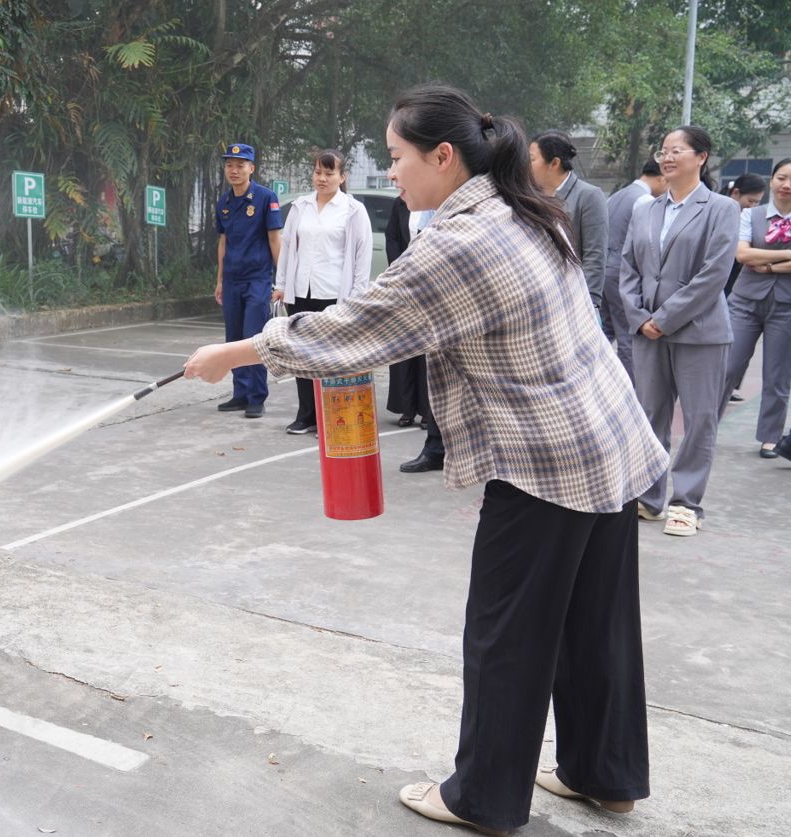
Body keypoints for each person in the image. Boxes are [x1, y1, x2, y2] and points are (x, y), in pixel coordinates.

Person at [183, 84, 665, 835]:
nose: (393, 173)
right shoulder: (524, 208)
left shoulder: (463, 240)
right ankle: (605, 775)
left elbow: (357, 325)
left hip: (545, 461)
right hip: (607, 439)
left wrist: (236, 352)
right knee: (593, 621)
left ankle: (483, 797)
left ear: (444, 156)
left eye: (399, 157)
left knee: (506, 632)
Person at [619, 126, 739, 536]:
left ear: (701, 157)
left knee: (699, 418)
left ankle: (686, 502)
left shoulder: (721, 208)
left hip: (699, 331)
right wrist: (638, 317)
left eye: (678, 150)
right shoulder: (644, 209)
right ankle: (649, 499)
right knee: (650, 415)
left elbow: (713, 275)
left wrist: (663, 318)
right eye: (664, 151)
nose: (667, 158)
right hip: (646, 330)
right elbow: (629, 267)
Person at [272, 149, 372, 434]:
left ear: (342, 177)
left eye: (329, 173)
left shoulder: (353, 210)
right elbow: (288, 247)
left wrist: (357, 296)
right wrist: (281, 285)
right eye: (318, 172)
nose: (322, 178)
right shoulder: (301, 206)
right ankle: (306, 415)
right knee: (301, 354)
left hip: (333, 294)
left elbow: (361, 255)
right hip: (301, 290)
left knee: (329, 357)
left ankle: (332, 416)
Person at [721, 158, 791, 457]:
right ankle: (706, 426)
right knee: (728, 366)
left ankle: (770, 438)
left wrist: (770, 267)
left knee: (777, 376)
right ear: (772, 180)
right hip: (745, 301)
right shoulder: (752, 214)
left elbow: (753, 256)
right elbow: (741, 254)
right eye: (781, 178)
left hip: (786, 304)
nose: (786, 186)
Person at [213, 142, 283, 419]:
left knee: (254, 337)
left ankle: (256, 396)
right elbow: (223, 242)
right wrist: (219, 280)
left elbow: (275, 239)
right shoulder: (224, 202)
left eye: (240, 165)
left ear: (251, 168)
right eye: (230, 165)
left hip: (257, 279)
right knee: (233, 338)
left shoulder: (266, 198)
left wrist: (281, 280)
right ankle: (240, 394)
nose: (234, 170)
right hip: (231, 280)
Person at [383, 198, 447, 472]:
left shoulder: (450, 204)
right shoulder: (401, 204)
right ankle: (413, 415)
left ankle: (429, 414)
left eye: (400, 159)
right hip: (407, 285)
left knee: (433, 360)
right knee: (405, 351)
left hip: (439, 290)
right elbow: (394, 240)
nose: (393, 174)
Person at [604, 161, 668, 382]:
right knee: (627, 336)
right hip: (621, 274)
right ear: (661, 177)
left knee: (604, 333)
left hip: (603, 271)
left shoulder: (616, 196)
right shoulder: (645, 201)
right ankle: (631, 392)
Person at [530, 130, 608, 312]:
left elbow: (594, 256)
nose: (526, 166)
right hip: (544, 303)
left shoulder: (588, 196)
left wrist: (588, 304)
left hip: (576, 303)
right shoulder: (533, 198)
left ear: (554, 163)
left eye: (532, 159)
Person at [722, 172, 766, 301]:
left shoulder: (751, 217)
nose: (752, 206)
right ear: (735, 193)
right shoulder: (719, 211)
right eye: (750, 201)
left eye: (756, 202)